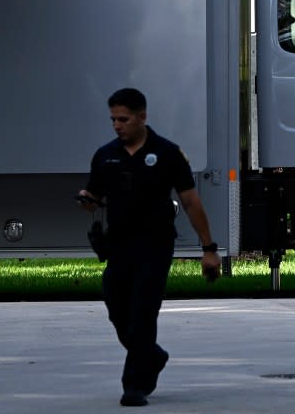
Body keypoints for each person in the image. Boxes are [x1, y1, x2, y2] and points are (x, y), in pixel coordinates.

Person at [78, 87, 221, 407]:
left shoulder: (168, 153)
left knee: (143, 310)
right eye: (113, 119)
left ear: (142, 117)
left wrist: (208, 248)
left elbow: (190, 201)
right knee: (117, 307)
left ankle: (134, 384)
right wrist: (88, 202)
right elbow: (95, 196)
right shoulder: (105, 155)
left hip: (155, 243)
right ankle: (152, 356)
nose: (117, 125)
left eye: (123, 119)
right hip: (119, 244)